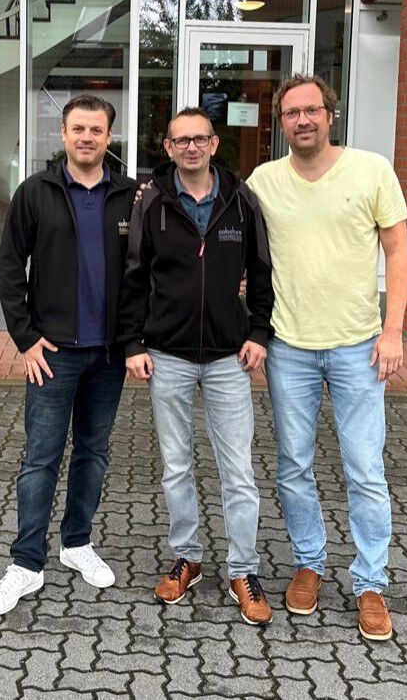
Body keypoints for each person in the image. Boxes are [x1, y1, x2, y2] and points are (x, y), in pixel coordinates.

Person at [246, 74, 407, 642]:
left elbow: (399, 251)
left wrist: (394, 331)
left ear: (329, 114)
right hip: (288, 346)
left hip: (358, 347)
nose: (303, 120)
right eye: (292, 113)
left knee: (364, 468)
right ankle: (309, 562)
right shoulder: (264, 181)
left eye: (311, 110)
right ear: (281, 123)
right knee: (293, 465)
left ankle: (370, 582)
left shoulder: (371, 170)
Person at [119, 108, 275, 626]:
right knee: (176, 465)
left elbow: (261, 270)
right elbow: (134, 276)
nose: (191, 147)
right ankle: (187, 557)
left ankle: (243, 570)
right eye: (181, 140)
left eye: (199, 139)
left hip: (229, 357)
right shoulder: (153, 201)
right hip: (168, 354)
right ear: (168, 147)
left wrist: (258, 333)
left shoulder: (241, 200)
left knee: (239, 471)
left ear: (213, 144)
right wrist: (133, 342)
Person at [0, 94, 138, 616]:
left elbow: (145, 272)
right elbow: (10, 267)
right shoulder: (36, 193)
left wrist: (134, 341)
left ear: (109, 137)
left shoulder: (129, 196)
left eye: (96, 130)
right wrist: (26, 338)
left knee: (93, 452)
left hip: (108, 355)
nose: (87, 137)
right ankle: (26, 563)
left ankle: (76, 543)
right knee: (40, 458)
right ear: (63, 134)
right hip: (53, 354)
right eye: (78, 129)